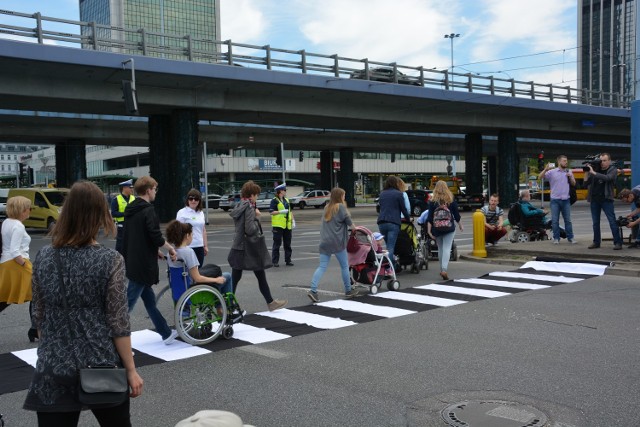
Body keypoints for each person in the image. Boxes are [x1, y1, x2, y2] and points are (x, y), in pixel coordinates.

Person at [23, 181, 143, 427]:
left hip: (53, 366)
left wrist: (52, 349)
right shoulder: (110, 260)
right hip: (101, 362)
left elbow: (39, 315)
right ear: (100, 215)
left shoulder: (44, 256)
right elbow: (118, 322)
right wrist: (131, 370)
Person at [123, 176, 179, 344]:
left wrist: (155, 251)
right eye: (155, 189)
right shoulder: (148, 210)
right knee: (126, 306)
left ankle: (166, 333)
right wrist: (170, 249)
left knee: (149, 301)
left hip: (133, 259)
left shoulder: (131, 209)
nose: (155, 192)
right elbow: (154, 235)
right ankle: (110, 338)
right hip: (142, 265)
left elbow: (139, 236)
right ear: (148, 190)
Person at [228, 181, 287, 312]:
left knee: (237, 277)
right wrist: (258, 217)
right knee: (255, 274)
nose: (257, 197)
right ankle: (227, 305)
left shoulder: (240, 205)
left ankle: (270, 302)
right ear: (252, 195)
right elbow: (249, 229)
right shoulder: (249, 207)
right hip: (249, 247)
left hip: (238, 245)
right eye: (257, 195)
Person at [307, 188, 357, 302]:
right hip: (337, 242)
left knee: (322, 267)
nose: (344, 197)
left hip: (325, 242)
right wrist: (356, 229)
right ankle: (348, 290)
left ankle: (313, 290)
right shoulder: (341, 207)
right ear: (340, 197)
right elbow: (350, 223)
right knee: (344, 266)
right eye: (343, 195)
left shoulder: (326, 207)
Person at [0, 196, 36, 341]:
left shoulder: (7, 222)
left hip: (6, 263)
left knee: (5, 298)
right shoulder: (18, 226)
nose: (30, 211)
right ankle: (35, 328)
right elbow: (15, 251)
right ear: (22, 210)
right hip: (17, 263)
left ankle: (35, 329)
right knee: (38, 292)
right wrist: (25, 265)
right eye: (28, 208)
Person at [165, 220, 232, 295]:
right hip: (192, 288)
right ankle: (221, 306)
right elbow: (197, 278)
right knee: (227, 276)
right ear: (187, 236)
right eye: (192, 234)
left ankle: (220, 305)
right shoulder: (188, 252)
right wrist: (216, 280)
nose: (192, 237)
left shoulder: (171, 253)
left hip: (179, 288)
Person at [584, 153, 622, 250]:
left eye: (605, 160)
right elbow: (586, 183)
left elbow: (608, 178)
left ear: (609, 161)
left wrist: (593, 172)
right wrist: (587, 171)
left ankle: (618, 242)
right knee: (595, 223)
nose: (602, 163)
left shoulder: (612, 169)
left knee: (612, 221)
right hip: (594, 199)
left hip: (606, 199)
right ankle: (596, 242)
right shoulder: (595, 168)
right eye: (601, 161)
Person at [426, 180, 463, 281]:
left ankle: (441, 269)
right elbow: (456, 214)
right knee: (447, 248)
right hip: (449, 228)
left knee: (441, 249)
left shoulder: (433, 201)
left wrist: (429, 231)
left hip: (437, 229)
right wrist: (460, 225)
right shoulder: (450, 199)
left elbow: (429, 218)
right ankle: (444, 270)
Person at [539, 155, 576, 244]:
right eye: (564, 161)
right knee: (555, 220)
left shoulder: (569, 171)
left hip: (566, 199)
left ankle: (570, 238)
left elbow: (574, 184)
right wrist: (545, 169)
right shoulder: (552, 172)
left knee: (568, 220)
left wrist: (570, 177)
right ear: (559, 162)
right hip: (555, 200)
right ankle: (556, 238)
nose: (566, 162)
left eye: (566, 161)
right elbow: (540, 177)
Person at [376, 176, 411, 269]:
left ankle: (390, 265)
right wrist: (408, 219)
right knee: (390, 247)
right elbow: (404, 209)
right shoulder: (398, 194)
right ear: (395, 183)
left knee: (388, 246)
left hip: (381, 222)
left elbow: (381, 207)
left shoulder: (382, 194)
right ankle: (389, 268)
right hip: (393, 222)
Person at [176, 189, 208, 267]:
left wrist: (205, 245)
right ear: (187, 200)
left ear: (199, 201)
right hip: (187, 247)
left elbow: (203, 230)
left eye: (196, 199)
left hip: (199, 246)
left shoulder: (201, 212)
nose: (193, 201)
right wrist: (178, 246)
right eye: (191, 199)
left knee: (199, 271)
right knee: (188, 271)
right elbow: (178, 230)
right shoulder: (182, 212)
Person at [269, 183, 294, 267]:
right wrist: (280, 212)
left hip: (287, 225)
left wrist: (293, 220)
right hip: (278, 225)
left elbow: (290, 211)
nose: (285, 191)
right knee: (277, 244)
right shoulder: (274, 200)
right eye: (284, 190)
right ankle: (275, 261)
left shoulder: (286, 200)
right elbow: (271, 212)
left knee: (287, 244)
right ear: (280, 191)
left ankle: (288, 260)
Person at [111, 179, 135, 255]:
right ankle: (118, 260)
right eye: (130, 187)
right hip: (122, 226)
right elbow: (113, 213)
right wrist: (125, 214)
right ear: (124, 188)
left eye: (132, 187)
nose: (132, 189)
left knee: (132, 244)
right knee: (120, 246)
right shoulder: (116, 199)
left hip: (132, 225)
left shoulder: (133, 198)